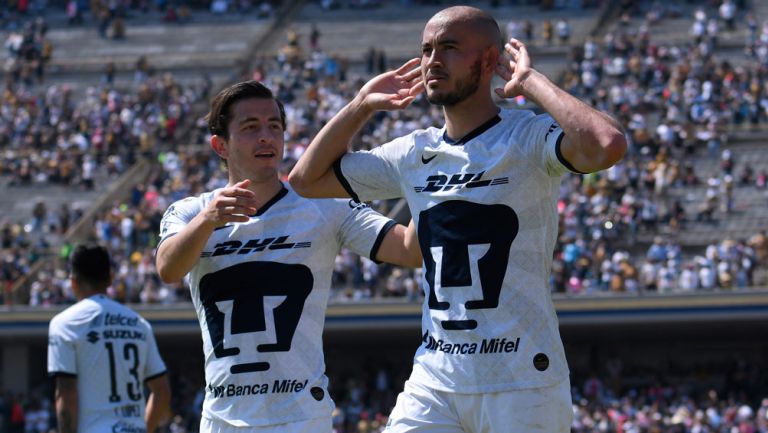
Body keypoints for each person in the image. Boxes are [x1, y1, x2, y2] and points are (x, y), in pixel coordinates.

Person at [288, 5, 627, 432]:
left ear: (489, 61)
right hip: (437, 378)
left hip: (523, 379)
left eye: (449, 48)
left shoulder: (525, 136)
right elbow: (305, 180)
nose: (432, 61)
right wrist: (360, 105)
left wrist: (530, 82)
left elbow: (607, 144)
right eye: (427, 49)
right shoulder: (413, 152)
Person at [155, 81, 421, 432]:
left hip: (300, 418)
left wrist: (426, 183)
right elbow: (168, 269)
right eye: (251, 128)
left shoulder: (326, 207)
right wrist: (209, 220)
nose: (266, 137)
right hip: (222, 419)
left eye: (274, 127)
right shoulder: (191, 212)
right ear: (220, 145)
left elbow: (409, 250)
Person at [47, 244, 171, 433]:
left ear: (73, 282)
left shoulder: (65, 323)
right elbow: (162, 391)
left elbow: (66, 391)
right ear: (110, 279)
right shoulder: (139, 323)